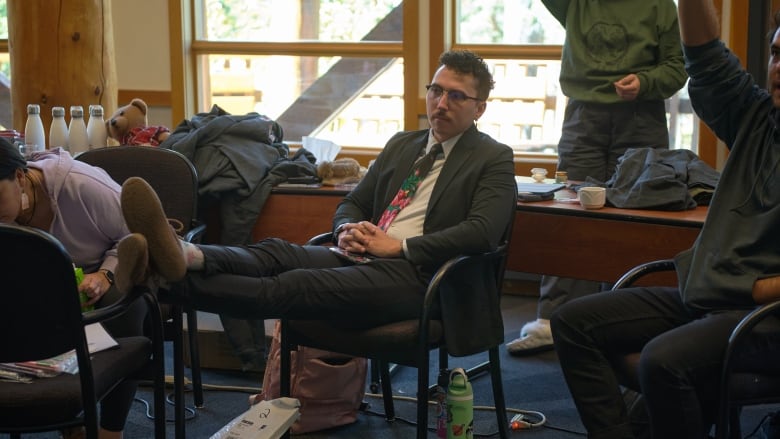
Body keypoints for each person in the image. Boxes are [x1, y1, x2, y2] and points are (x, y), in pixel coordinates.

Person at [115, 50, 517, 334]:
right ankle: (185, 254)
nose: (441, 103)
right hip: (361, 254)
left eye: (456, 96)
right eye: (436, 90)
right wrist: (347, 228)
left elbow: (482, 232)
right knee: (276, 252)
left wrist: (400, 248)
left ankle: (162, 278)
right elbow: (354, 201)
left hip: (421, 277)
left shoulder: (493, 157)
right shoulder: (403, 144)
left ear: (479, 108)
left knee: (296, 284)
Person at [550, 1, 780, 437]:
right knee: (573, 324)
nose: (777, 68)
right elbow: (707, 58)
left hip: (765, 315)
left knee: (662, 360)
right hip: (707, 297)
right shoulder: (757, 119)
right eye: (776, 54)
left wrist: (746, 286)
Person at [507, 0, 689, 355]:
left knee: (641, 219)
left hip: (642, 115)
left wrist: (645, 81)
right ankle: (551, 322)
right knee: (570, 214)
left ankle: (635, 321)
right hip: (583, 116)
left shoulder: (659, 5)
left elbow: (676, 68)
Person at [0, 141, 146, 439]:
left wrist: (105, 274)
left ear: (18, 177)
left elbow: (138, 235)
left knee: (129, 300)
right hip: (38, 288)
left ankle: (110, 428)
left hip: (102, 276)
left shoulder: (81, 186)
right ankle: (67, 417)